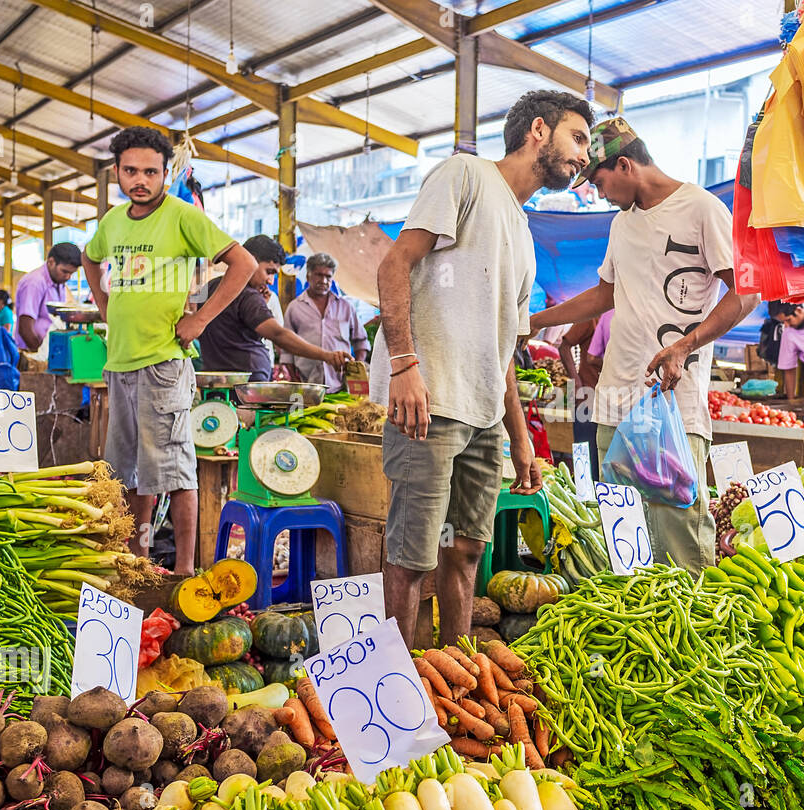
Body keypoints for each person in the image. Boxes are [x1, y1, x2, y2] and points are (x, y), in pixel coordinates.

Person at [375, 90, 594, 649]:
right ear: (539, 130)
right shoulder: (465, 174)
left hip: (482, 417)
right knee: (413, 552)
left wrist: (521, 440)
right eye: (578, 138)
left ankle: (457, 662)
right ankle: (397, 681)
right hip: (429, 400)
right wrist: (404, 365)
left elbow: (504, 353)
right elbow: (395, 264)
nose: (584, 156)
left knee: (468, 545)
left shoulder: (523, 234)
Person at [529, 117, 762, 574]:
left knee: (680, 531)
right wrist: (534, 321)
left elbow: (746, 293)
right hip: (615, 403)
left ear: (624, 165)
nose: (598, 194)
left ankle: (692, 638)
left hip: (671, 405)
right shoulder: (621, 225)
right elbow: (603, 295)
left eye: (599, 182)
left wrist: (685, 346)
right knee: (621, 534)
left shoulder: (701, 208)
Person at [82, 126, 257, 575]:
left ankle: (182, 571)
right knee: (132, 473)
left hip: (163, 364)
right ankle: (138, 560)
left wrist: (199, 319)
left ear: (165, 173)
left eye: (150, 172)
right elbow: (90, 257)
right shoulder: (113, 221)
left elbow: (244, 263)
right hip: (119, 364)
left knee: (175, 472)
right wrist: (106, 308)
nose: (140, 180)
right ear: (117, 173)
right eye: (130, 171)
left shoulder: (182, 215)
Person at [197, 235, 350, 381]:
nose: (270, 281)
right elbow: (278, 335)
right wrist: (327, 356)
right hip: (246, 385)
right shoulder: (248, 296)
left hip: (216, 379)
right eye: (269, 272)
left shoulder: (209, 287)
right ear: (251, 261)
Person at [285, 253, 368, 390]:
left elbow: (361, 341)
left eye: (328, 276)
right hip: (306, 384)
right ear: (308, 276)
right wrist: (294, 379)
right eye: (318, 275)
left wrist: (356, 370)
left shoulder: (346, 307)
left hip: (341, 385)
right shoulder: (294, 307)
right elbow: (286, 349)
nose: (323, 281)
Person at [557, 308, 613, 477]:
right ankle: (584, 499)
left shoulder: (623, 313)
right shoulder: (594, 315)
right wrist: (576, 382)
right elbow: (564, 346)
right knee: (585, 454)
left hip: (611, 399)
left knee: (603, 459)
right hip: (587, 395)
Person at [15, 242, 81, 352]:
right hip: (31, 352)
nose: (68, 277)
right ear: (51, 262)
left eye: (71, 273)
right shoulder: (35, 283)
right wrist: (39, 354)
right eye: (64, 271)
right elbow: (25, 328)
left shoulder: (59, 283)